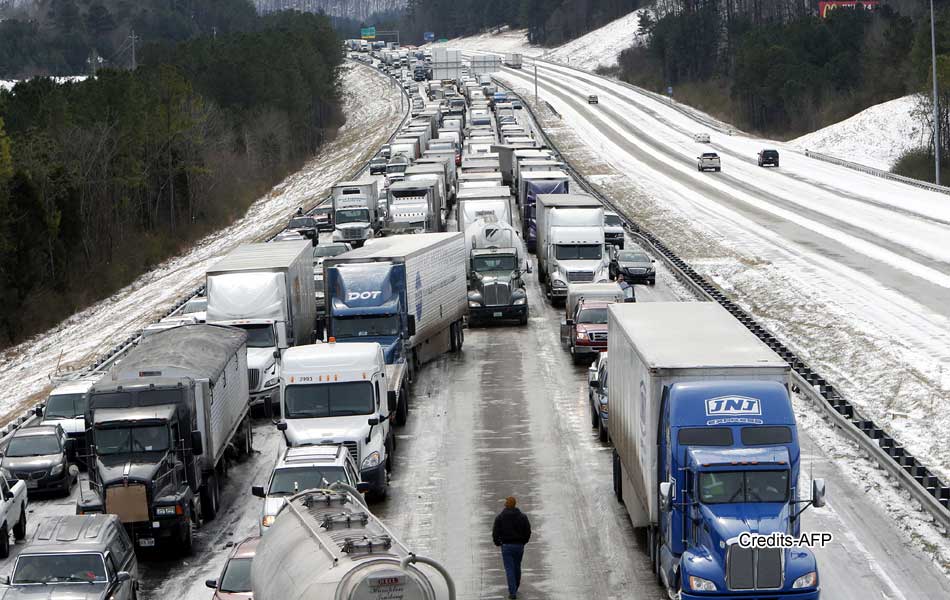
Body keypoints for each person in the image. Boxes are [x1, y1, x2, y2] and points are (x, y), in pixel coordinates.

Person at [492, 496, 531, 599]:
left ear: (506, 505)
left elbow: (495, 532)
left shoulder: (500, 517)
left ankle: (512, 592)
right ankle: (516, 586)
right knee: (517, 567)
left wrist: (498, 542)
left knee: (509, 569)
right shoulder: (522, 517)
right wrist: (523, 541)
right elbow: (528, 531)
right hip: (519, 546)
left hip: (506, 546)